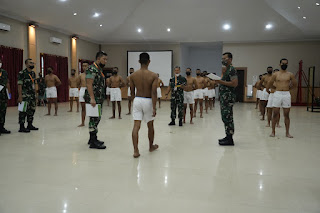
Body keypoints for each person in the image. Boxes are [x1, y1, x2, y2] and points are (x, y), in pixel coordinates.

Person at [130, 52, 158, 158]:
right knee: (150, 125)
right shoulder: (153, 75)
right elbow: (154, 92)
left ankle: (136, 151)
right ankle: (151, 146)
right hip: (148, 100)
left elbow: (132, 92)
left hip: (137, 99)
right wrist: (154, 107)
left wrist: (134, 102)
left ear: (139, 62)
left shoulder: (133, 75)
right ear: (149, 61)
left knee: (136, 126)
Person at [266, 58, 297, 138]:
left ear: (287, 64)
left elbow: (294, 84)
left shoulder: (290, 74)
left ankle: (287, 133)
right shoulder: (276, 74)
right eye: (283, 63)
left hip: (286, 94)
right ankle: (273, 131)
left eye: (286, 63)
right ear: (280, 64)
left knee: (286, 114)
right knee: (275, 113)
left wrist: (288, 89)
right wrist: (275, 88)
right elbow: (270, 83)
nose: (284, 65)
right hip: (278, 93)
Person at [83, 51, 108, 149]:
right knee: (94, 119)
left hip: (98, 98)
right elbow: (89, 84)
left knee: (96, 118)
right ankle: (93, 142)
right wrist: (92, 98)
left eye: (106, 59)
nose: (105, 61)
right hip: (93, 98)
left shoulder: (99, 69)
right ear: (98, 58)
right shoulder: (92, 69)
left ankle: (92, 139)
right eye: (104, 59)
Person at [216, 52, 238, 146]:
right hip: (224, 97)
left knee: (228, 117)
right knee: (225, 117)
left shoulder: (232, 70)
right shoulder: (227, 69)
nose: (223, 60)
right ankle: (227, 135)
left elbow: (234, 83)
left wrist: (220, 81)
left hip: (228, 97)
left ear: (230, 59)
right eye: (222, 58)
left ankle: (230, 139)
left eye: (225, 58)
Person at [18, 58, 38, 132]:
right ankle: (22, 126)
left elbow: (34, 84)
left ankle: (30, 124)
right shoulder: (22, 73)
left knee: (31, 110)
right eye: (30, 63)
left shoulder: (33, 74)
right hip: (24, 95)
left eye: (33, 63)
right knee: (22, 111)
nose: (32, 64)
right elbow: (19, 85)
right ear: (26, 64)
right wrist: (20, 96)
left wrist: (36, 95)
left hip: (32, 95)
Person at [0, 59, 11, 134]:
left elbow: (7, 83)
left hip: (3, 96)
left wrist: (9, 94)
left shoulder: (4, 72)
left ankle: (1, 127)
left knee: (3, 112)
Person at [78, 61, 89, 127]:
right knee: (83, 107)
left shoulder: (91, 74)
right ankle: (83, 122)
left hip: (89, 90)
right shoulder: (80, 75)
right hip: (82, 89)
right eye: (83, 66)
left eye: (86, 66)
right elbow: (78, 83)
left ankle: (92, 122)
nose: (84, 67)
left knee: (91, 107)